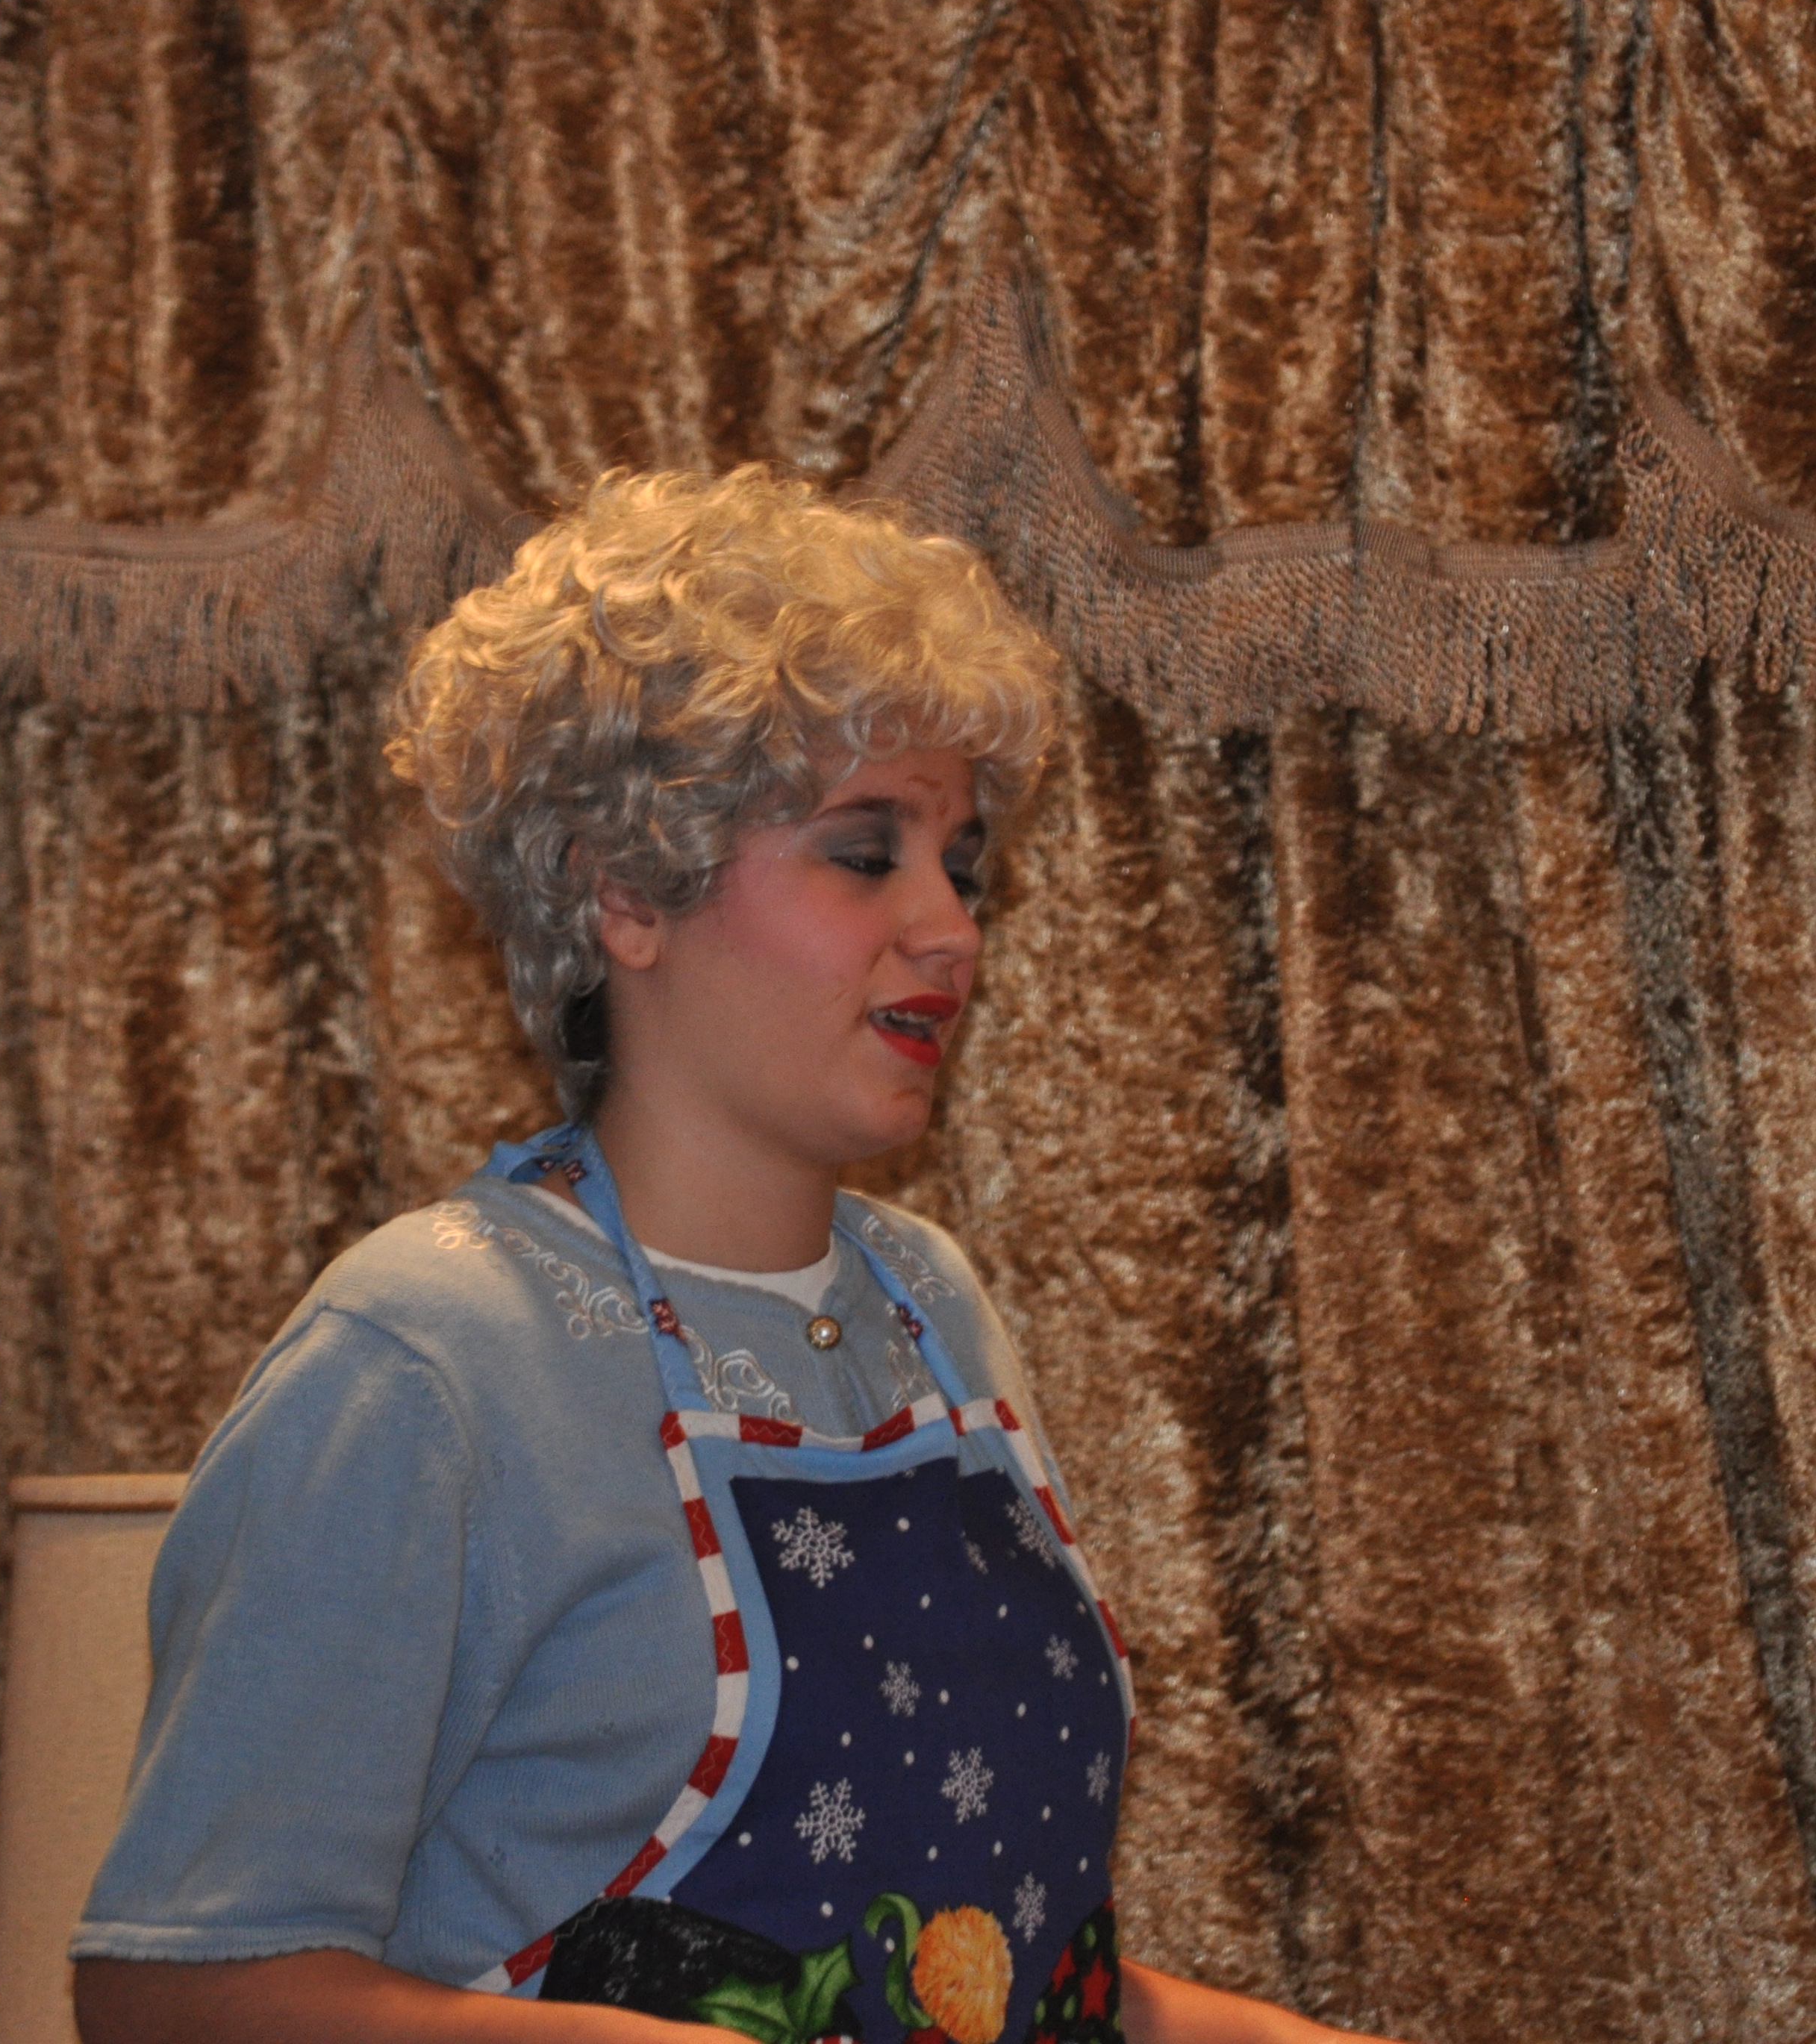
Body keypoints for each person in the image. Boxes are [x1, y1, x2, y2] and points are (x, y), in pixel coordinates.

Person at [72, 469, 1387, 2044]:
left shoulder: (930, 1304)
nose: (951, 926)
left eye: (960, 861)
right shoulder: (426, 1354)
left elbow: (1002, 1968)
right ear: (626, 890)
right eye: (864, 851)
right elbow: (174, 1989)